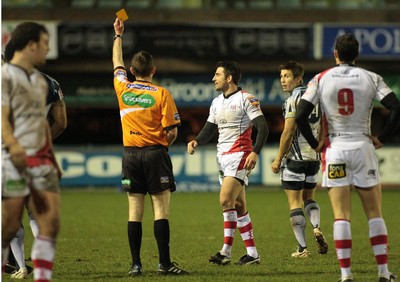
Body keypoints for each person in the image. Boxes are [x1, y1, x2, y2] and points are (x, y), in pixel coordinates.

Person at [295, 34, 400, 282]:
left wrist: (316, 144)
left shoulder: (321, 79)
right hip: (363, 146)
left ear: (335, 54)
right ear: (357, 55)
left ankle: (346, 275)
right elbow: (395, 107)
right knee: (374, 213)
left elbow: (300, 115)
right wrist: (382, 137)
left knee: (341, 214)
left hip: (336, 150)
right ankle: (383, 273)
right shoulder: (371, 77)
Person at [112, 18, 188, 276]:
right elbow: (173, 132)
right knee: (161, 210)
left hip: (130, 155)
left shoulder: (122, 87)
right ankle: (164, 264)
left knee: (135, 211)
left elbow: (116, 63)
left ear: (133, 71)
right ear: (153, 70)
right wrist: (160, 146)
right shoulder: (162, 94)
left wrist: (118, 35)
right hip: (155, 155)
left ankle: (135, 265)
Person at [187, 61, 269, 265]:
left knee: (225, 200)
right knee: (239, 205)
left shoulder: (246, 99)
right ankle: (252, 253)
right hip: (222, 158)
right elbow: (208, 129)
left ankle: (225, 252)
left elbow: (263, 127)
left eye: (217, 74)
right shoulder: (216, 102)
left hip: (240, 155)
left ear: (229, 78)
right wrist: (196, 140)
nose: (213, 78)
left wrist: (255, 152)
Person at [2, 22, 62, 282]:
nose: (47, 50)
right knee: (23, 221)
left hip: (28, 159)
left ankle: (33, 272)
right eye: (44, 44)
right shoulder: (14, 79)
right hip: (23, 158)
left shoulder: (34, 82)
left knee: (36, 219)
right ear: (30, 46)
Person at [271, 61, 328, 258]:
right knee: (309, 198)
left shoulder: (293, 101)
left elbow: (288, 132)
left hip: (295, 158)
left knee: (295, 203)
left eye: (287, 76)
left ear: (298, 79)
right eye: (281, 77)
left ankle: (303, 248)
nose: (283, 81)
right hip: (314, 158)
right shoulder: (317, 98)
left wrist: (278, 159)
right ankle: (317, 227)